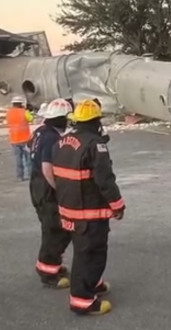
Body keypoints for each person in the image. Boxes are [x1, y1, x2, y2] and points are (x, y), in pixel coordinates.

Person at [52, 98, 124, 316]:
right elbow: (105, 180)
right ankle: (82, 300)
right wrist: (117, 204)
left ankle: (93, 283)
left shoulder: (61, 142)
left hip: (68, 210)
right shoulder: (95, 145)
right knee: (91, 253)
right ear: (95, 121)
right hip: (88, 214)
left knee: (84, 251)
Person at [29, 99, 74, 288]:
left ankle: (51, 264)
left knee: (52, 229)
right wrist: (59, 189)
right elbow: (47, 167)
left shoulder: (40, 132)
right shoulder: (51, 138)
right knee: (55, 229)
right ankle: (48, 272)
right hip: (46, 187)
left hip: (37, 185)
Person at [6, 96, 34, 181]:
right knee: (28, 159)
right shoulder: (24, 112)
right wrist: (28, 111)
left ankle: (20, 176)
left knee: (18, 159)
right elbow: (31, 119)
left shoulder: (9, 113)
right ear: (21, 104)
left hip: (14, 139)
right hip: (25, 139)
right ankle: (30, 175)